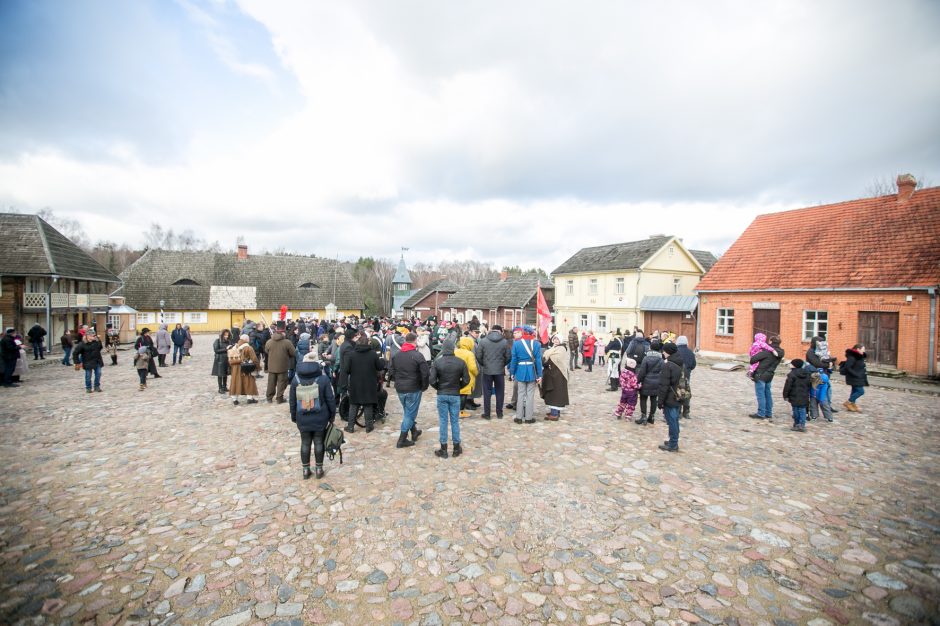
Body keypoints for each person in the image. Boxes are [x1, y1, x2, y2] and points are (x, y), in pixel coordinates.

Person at [290, 354, 336, 480]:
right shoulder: (323, 379)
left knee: (305, 442)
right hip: (320, 416)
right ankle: (319, 469)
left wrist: (294, 416)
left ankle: (305, 470)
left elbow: (292, 401)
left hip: (302, 416)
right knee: (318, 441)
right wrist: (332, 415)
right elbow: (330, 399)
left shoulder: (296, 380)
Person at [429, 339, 470, 458]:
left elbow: (431, 380)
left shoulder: (438, 362)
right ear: (453, 349)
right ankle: (456, 448)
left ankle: (444, 448)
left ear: (443, 349)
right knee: (455, 421)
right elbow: (466, 380)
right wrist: (458, 387)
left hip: (442, 393)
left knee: (443, 421)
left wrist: (439, 387)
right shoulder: (460, 362)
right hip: (454, 394)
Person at [388, 332, 429, 448]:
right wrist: (424, 386)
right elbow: (425, 373)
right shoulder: (417, 355)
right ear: (415, 341)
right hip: (413, 388)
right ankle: (402, 439)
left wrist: (398, 380)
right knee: (410, 413)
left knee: (408, 411)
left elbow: (391, 370)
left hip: (401, 387)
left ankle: (414, 431)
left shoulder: (397, 355)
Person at [340, 334, 386, 433]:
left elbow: (346, 370)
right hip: (369, 382)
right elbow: (379, 367)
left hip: (355, 383)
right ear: (368, 343)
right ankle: (369, 426)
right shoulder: (373, 354)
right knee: (368, 404)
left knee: (354, 404)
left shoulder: (352, 354)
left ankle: (350, 426)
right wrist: (382, 360)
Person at [475, 324, 511, 419]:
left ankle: (487, 414)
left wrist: (484, 364)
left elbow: (478, 355)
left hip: (487, 370)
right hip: (499, 370)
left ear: (491, 330)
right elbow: (508, 357)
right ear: (500, 331)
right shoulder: (504, 342)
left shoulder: (483, 341)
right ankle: (499, 413)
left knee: (487, 392)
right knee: (500, 392)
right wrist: (502, 364)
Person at [509, 326, 542, 424]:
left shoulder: (517, 344)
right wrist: (539, 375)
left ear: (523, 333)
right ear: (532, 333)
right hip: (531, 371)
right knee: (530, 395)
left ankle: (519, 417)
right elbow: (538, 361)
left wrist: (512, 372)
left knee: (520, 394)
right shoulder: (537, 344)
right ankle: (528, 418)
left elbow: (514, 359)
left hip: (520, 370)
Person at [749, 336, 784, 419]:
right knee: (767, 394)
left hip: (761, 374)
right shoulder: (781, 352)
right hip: (770, 374)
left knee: (761, 394)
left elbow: (753, 359)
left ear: (771, 341)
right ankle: (768, 412)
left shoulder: (767, 351)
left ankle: (761, 413)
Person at [657, 342, 684, 451]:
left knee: (672, 420)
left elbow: (664, 385)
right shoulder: (679, 362)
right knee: (675, 420)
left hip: (670, 397)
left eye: (664, 350)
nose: (662, 352)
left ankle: (673, 444)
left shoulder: (668, 365)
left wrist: (660, 401)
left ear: (667, 352)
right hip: (678, 395)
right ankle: (673, 440)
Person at [265, 322, 296, 404]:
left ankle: (269, 397)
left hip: (271, 365)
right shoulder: (287, 342)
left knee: (271, 382)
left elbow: (266, 351)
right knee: (282, 382)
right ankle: (279, 398)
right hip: (283, 365)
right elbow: (293, 353)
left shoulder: (269, 342)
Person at [635, 339, 664, 425]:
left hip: (646, 381)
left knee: (643, 398)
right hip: (656, 382)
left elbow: (642, 371)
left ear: (650, 347)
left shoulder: (646, 358)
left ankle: (643, 416)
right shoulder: (661, 359)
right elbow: (662, 372)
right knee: (654, 399)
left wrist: (638, 381)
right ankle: (651, 417)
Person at [540, 335, 569, 420]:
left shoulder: (561, 349)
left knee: (556, 394)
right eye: (555, 339)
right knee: (552, 393)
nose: (556, 340)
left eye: (557, 339)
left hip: (558, 375)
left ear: (560, 340)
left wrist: (545, 361)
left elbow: (554, 359)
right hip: (552, 373)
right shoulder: (553, 348)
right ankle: (555, 411)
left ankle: (554, 414)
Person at [228, 334, 260, 405]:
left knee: (235, 382)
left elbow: (230, 359)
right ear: (246, 340)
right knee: (249, 382)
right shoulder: (248, 348)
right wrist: (258, 367)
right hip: (246, 368)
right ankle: (250, 398)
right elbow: (254, 359)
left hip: (235, 368)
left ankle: (234, 399)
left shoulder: (234, 347)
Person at [783, 358, 812, 432]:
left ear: (794, 365)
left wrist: (785, 395)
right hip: (804, 395)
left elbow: (788, 386)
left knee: (795, 410)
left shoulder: (792, 374)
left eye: (791, 364)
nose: (790, 365)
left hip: (794, 395)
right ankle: (802, 425)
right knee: (802, 410)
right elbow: (809, 384)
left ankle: (796, 424)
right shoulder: (807, 373)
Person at [454, 337, 479, 418]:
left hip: (456, 376)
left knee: (457, 394)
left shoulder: (455, 352)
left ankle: (455, 410)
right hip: (467, 377)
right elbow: (472, 367)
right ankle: (461, 412)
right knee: (464, 394)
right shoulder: (469, 353)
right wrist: (476, 373)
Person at [842, 344, 869, 412]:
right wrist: (856, 374)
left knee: (854, 391)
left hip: (858, 377)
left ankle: (852, 405)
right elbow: (847, 367)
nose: (864, 351)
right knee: (860, 391)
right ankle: (848, 402)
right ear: (858, 349)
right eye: (863, 349)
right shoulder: (852, 357)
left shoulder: (859, 356)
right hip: (854, 377)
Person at [676, 336, 696, 419]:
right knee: (686, 392)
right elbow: (693, 364)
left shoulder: (676, 351)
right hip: (687, 375)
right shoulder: (690, 352)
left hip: (677, 374)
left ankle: (678, 411)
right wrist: (688, 370)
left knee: (678, 392)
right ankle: (686, 412)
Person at [212, 329, 233, 394]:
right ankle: (220, 388)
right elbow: (216, 350)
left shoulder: (228, 341)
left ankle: (224, 387)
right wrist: (226, 349)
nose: (226, 336)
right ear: (222, 335)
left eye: (227, 335)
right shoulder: (217, 341)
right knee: (220, 374)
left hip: (227, 359)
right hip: (220, 360)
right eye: (225, 335)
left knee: (225, 373)